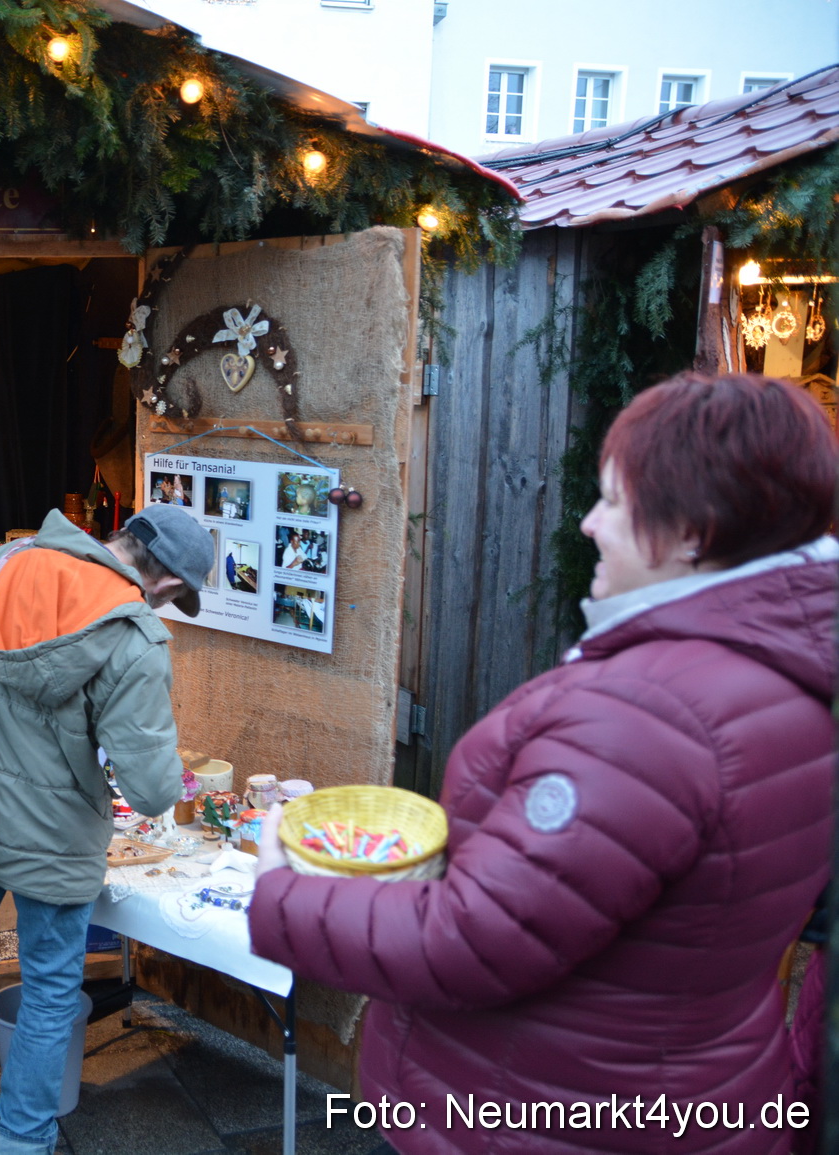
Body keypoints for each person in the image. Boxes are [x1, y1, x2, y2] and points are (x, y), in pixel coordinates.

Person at [250, 373, 837, 1154]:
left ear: (693, 531)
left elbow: (478, 938)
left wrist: (278, 893)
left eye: (617, 503)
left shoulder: (651, 713)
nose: (592, 523)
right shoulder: (789, 682)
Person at [0, 503, 213, 1155]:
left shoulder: (9, 559)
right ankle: (23, 1140)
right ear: (167, 584)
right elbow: (153, 787)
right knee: (51, 991)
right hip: (53, 841)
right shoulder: (132, 635)